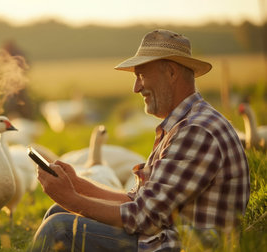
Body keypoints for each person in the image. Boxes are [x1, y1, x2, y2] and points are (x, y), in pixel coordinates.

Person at [29, 29, 250, 252]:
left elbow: (143, 217)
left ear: (171, 72)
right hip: (164, 236)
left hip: (182, 246)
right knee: (59, 212)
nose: (136, 88)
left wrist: (72, 198)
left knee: (59, 228)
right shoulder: (183, 124)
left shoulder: (196, 130)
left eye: (141, 75)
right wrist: (77, 184)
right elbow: (138, 200)